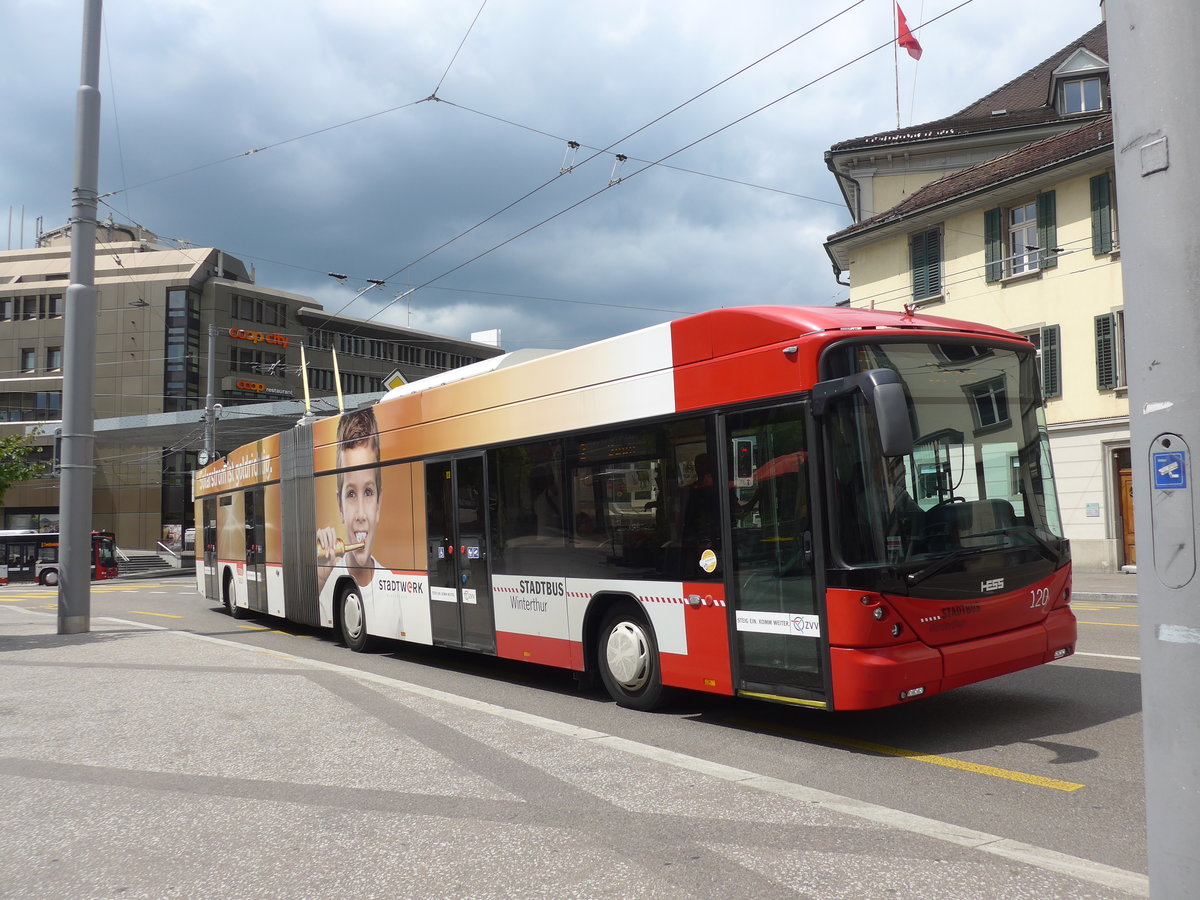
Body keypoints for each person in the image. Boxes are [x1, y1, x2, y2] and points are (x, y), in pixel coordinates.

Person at [317, 407, 382, 601]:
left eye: (368, 492)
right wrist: (320, 577)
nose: (361, 515)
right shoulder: (324, 582)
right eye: (351, 493)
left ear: (379, 504)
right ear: (340, 507)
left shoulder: (396, 597)